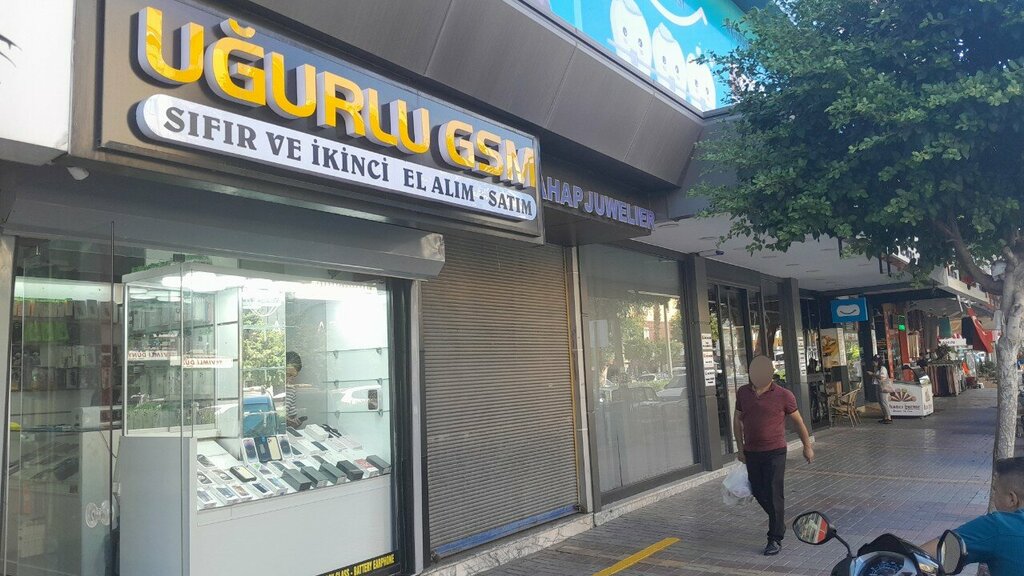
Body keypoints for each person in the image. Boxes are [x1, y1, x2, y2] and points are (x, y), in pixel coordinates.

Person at [734, 355, 814, 556]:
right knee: (757, 490)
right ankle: (778, 520)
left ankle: (775, 538)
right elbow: (737, 420)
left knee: (774, 492)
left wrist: (807, 446)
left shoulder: (784, 395)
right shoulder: (743, 393)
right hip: (752, 451)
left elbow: (798, 422)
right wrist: (740, 448)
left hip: (775, 451)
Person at [921, 457, 1024, 576]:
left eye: (995, 490)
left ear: (1011, 499)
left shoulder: (998, 527)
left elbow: (922, 556)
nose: (993, 496)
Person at [866, 355, 894, 424]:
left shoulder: (882, 368)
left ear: (878, 362)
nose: (873, 363)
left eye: (874, 361)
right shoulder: (877, 368)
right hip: (878, 386)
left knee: (884, 402)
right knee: (880, 402)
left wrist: (872, 374)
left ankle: (889, 418)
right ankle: (885, 417)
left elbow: (882, 377)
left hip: (883, 387)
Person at [285, 351, 306, 428]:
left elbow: (291, 419)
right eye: (288, 375)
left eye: (293, 376)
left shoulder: (291, 390)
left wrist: (293, 423)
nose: (289, 380)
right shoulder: (265, 389)